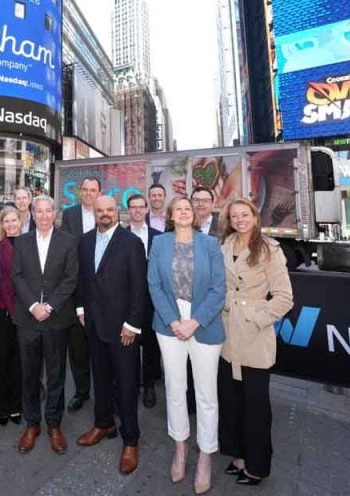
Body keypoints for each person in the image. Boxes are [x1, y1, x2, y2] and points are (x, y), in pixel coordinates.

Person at [148, 197, 226, 494]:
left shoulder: (210, 244)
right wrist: (173, 321)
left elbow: (219, 289)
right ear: (170, 215)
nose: (183, 212)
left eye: (187, 208)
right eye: (177, 208)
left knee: (207, 394)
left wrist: (194, 322)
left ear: (195, 215)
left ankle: (206, 456)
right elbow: (153, 284)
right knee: (175, 389)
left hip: (204, 323)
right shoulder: (160, 244)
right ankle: (180, 449)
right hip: (169, 324)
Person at [218, 198, 294, 486]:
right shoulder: (224, 246)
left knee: (256, 405)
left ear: (254, 216)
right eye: (234, 215)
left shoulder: (269, 249)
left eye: (244, 214)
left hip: (253, 335)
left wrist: (257, 318)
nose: (239, 220)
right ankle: (238, 455)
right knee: (231, 400)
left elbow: (285, 298)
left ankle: (257, 466)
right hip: (226, 333)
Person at [74, 196, 148, 475]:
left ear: (117, 212)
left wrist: (132, 324)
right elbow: (83, 279)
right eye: (100, 211)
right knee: (100, 379)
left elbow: (139, 288)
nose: (104, 214)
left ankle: (131, 439)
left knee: (127, 385)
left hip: (122, 330)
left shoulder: (131, 243)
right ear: (94, 213)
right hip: (93, 325)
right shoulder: (85, 240)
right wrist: (80, 308)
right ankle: (103, 423)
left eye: (109, 210)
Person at [11, 195, 79, 455]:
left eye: (47, 211)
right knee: (29, 374)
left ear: (55, 213)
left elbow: (71, 278)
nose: (43, 216)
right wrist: (33, 306)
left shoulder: (68, 241)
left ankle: (53, 423)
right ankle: (32, 424)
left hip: (57, 318)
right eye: (38, 212)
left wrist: (48, 306)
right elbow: (16, 276)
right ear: (32, 212)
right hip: (27, 319)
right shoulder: (22, 241)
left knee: (56, 374)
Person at [60, 176, 101, 412]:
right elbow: (65, 246)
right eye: (85, 190)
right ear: (80, 192)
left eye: (92, 190)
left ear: (98, 193)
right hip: (76, 288)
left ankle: (106, 391)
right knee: (77, 347)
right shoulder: (69, 214)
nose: (88, 193)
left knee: (103, 344)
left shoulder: (106, 212)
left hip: (102, 290)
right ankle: (81, 391)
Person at [125, 193, 164, 408]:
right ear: (128, 210)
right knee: (129, 345)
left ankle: (149, 385)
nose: (138, 210)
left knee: (150, 345)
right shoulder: (119, 235)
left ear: (147, 209)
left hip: (151, 300)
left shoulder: (159, 236)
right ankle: (130, 384)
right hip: (127, 301)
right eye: (133, 207)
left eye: (141, 207)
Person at [0, 207, 23, 427]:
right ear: (1, 224)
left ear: (20, 221)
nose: (10, 224)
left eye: (14, 220)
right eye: (6, 221)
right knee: (0, 359)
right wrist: (11, 308)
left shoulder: (29, 244)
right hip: (1, 310)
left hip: (23, 311)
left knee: (19, 361)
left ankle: (16, 405)